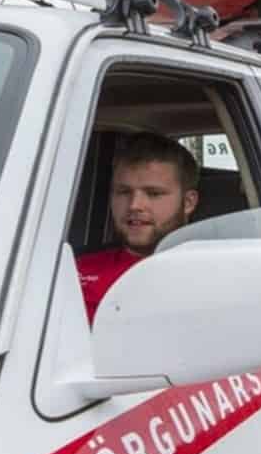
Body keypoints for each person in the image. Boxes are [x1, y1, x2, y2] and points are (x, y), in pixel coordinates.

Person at [76, 132, 199, 324]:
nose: (135, 205)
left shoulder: (208, 271)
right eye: (123, 192)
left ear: (189, 202)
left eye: (153, 194)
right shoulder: (72, 268)